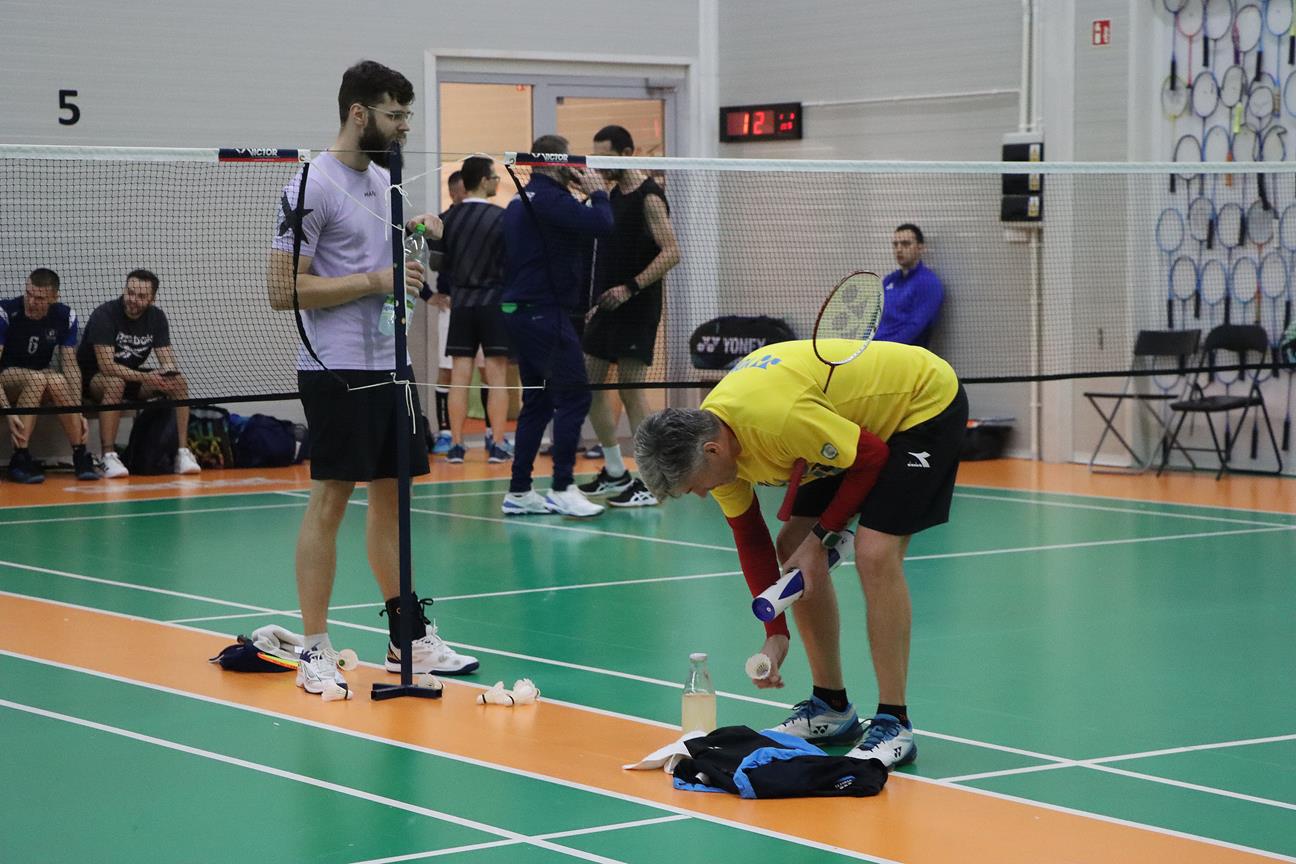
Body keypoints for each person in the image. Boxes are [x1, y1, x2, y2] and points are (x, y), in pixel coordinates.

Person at [633, 338, 967, 769]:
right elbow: (750, 535)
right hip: (843, 426)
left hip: (920, 405)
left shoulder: (776, 420)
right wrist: (776, 632)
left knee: (874, 551)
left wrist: (820, 539)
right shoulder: (715, 445)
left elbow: (871, 456)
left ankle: (894, 723)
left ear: (713, 450)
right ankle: (831, 707)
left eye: (696, 484)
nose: (701, 494)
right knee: (793, 547)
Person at [267, 59, 478, 700]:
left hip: (391, 363)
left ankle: (405, 636)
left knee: (393, 495)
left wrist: (416, 237)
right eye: (394, 114)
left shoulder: (386, 181)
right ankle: (315, 648)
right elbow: (282, 290)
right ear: (358, 113)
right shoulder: (311, 184)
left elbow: (385, 262)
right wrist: (375, 280)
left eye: (407, 114)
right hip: (335, 367)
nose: (404, 126)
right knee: (331, 499)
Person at [498, 135, 614, 517]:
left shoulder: (520, 200)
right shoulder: (550, 199)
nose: (574, 167)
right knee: (576, 396)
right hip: (543, 312)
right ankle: (563, 486)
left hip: (522, 310)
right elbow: (603, 223)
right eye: (569, 161)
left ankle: (519, 491)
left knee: (539, 401)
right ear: (554, 162)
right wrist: (597, 191)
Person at [576, 125, 680, 508]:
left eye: (606, 157)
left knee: (630, 392)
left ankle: (652, 482)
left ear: (627, 153)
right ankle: (616, 470)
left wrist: (630, 288)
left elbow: (672, 252)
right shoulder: (610, 195)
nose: (599, 164)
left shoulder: (649, 197)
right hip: (607, 306)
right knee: (589, 386)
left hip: (637, 305)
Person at [77, 269, 201, 477]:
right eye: (130, 292)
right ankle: (108, 456)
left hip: (132, 377)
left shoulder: (157, 318)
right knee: (115, 383)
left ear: (152, 299)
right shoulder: (105, 315)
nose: (133, 299)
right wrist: (146, 377)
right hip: (94, 379)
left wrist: (167, 374)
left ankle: (182, 453)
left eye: (141, 296)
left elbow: (167, 360)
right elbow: (107, 366)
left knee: (178, 382)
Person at [434, 155, 512, 465]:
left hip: (462, 306)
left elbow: (437, 263)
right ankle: (498, 444)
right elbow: (512, 262)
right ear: (483, 180)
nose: (496, 182)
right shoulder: (502, 218)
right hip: (493, 305)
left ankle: (456, 446)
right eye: (494, 177)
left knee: (459, 377)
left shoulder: (447, 218)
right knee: (497, 377)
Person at [0, 268, 98, 483]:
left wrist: (77, 409)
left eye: (39, 298)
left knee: (56, 379)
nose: (31, 302)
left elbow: (70, 365)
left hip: (38, 380)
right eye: (28, 294)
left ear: (54, 297)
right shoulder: (6, 312)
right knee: (38, 379)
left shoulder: (65, 316)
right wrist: (7, 410)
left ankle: (80, 453)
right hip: (6, 380)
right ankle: (20, 457)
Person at [430, 170, 466, 455]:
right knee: (447, 370)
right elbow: (420, 261)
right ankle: (445, 433)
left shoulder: (488, 219)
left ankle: (492, 435)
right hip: (451, 308)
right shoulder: (441, 223)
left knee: (488, 369)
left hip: (479, 306)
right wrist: (429, 295)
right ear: (453, 192)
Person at [875, 224, 944, 348]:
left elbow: (915, 326)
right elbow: (874, 319)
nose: (899, 249)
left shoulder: (928, 283)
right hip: (875, 349)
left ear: (920, 248)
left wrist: (886, 348)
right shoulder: (889, 280)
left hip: (901, 353)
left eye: (905, 244)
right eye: (895, 245)